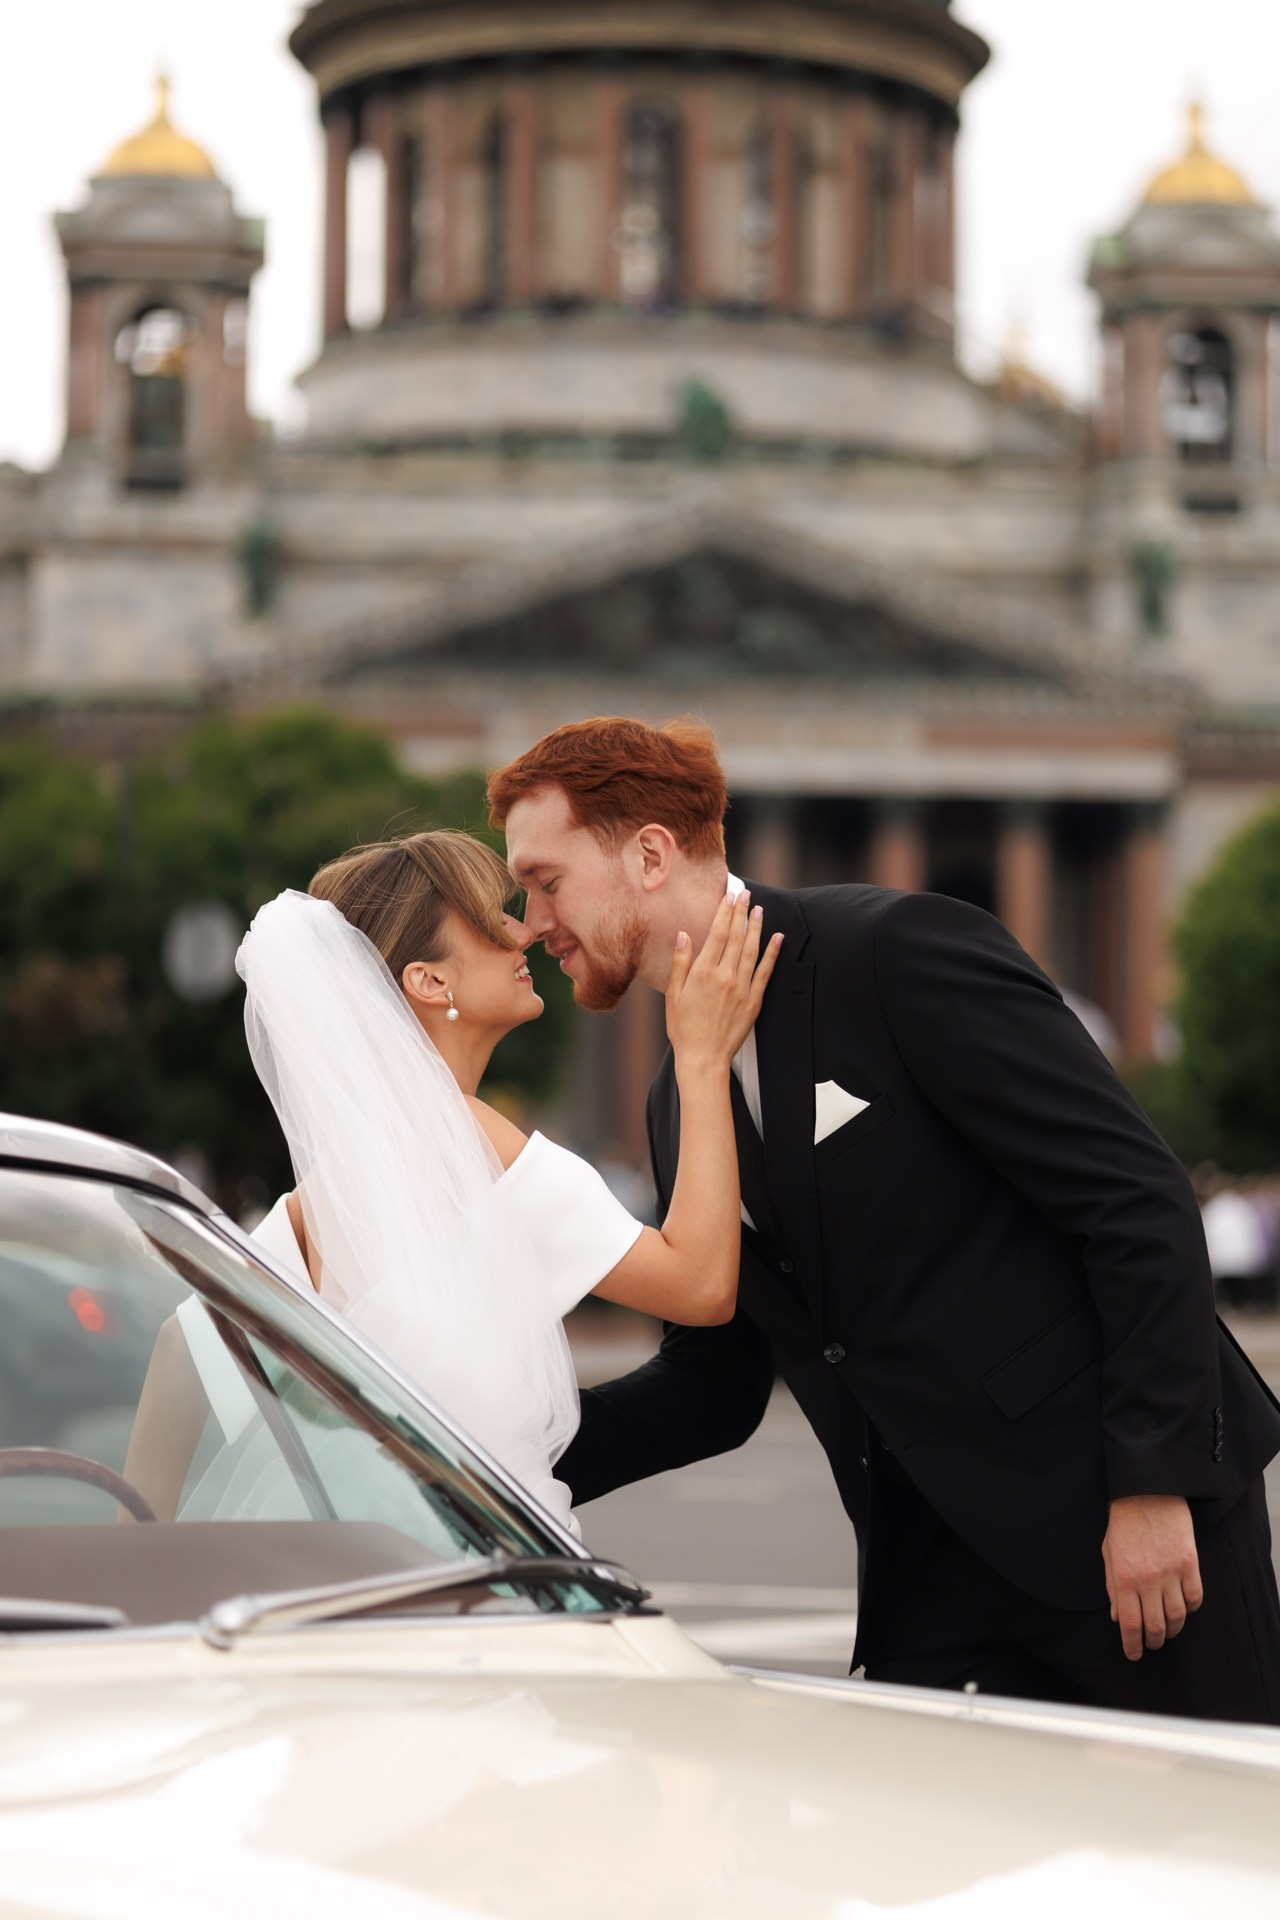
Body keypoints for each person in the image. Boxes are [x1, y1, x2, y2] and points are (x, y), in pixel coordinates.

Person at [489, 715, 1280, 1722]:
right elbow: (711, 1385)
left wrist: (1151, 1487)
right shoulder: (673, 1103)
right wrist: (486, 1467)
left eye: (545, 879)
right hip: (927, 1592)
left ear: (648, 853)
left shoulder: (897, 951)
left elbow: (1133, 1202)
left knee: (1206, 1862)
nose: (529, 919)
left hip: (1126, 1547)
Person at [234, 829, 780, 1535]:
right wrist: (700, 1062)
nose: (524, 931)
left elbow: (182, 1363)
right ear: (430, 981)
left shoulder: (306, 1209)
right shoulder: (469, 1135)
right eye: (491, 917)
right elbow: (700, 1287)